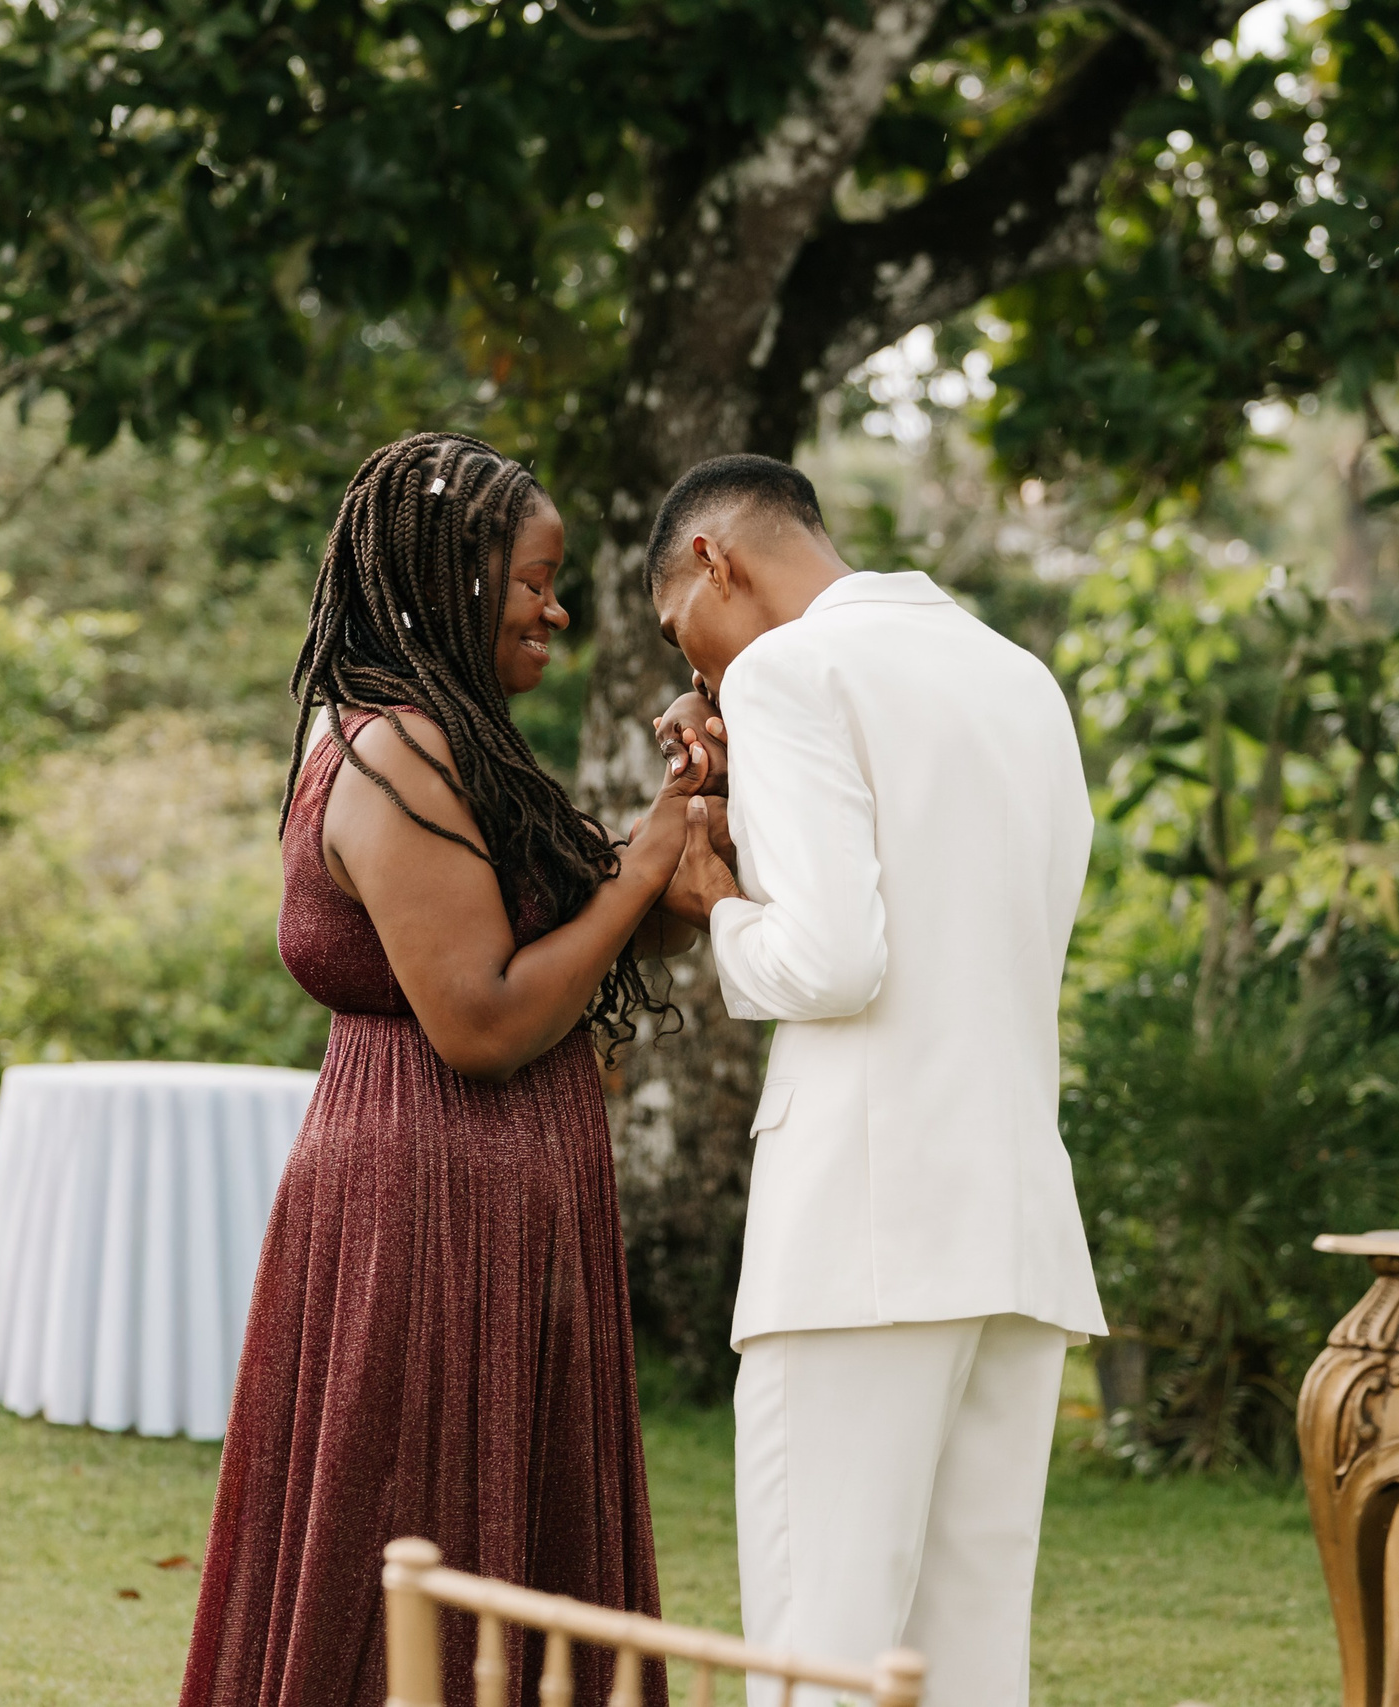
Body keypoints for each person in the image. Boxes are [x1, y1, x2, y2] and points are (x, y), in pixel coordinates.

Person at [180, 433, 709, 1707]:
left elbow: (588, 935)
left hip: (492, 1190)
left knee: (494, 1538)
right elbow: (476, 1020)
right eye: (534, 580)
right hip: (429, 1197)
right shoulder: (395, 750)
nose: (556, 607)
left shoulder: (455, 743)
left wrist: (680, 820)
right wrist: (639, 865)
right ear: (456, 575)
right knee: (413, 1527)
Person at [645, 455, 1106, 1707]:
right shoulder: (1019, 678)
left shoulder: (791, 671)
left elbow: (831, 960)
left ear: (714, 565)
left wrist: (716, 902)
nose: (699, 676)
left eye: (687, 641)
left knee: (822, 1647)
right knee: (965, 1655)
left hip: (860, 1224)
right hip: (1010, 1222)